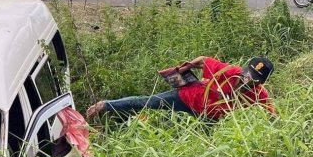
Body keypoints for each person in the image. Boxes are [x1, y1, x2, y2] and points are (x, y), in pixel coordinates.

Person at [86, 56, 274, 121]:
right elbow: (203, 60)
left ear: (260, 83)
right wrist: (187, 67)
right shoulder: (229, 71)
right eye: (247, 74)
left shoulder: (259, 95)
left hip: (209, 117)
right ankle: (105, 105)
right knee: (148, 102)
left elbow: (272, 114)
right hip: (187, 98)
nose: (247, 80)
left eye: (254, 80)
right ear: (244, 70)